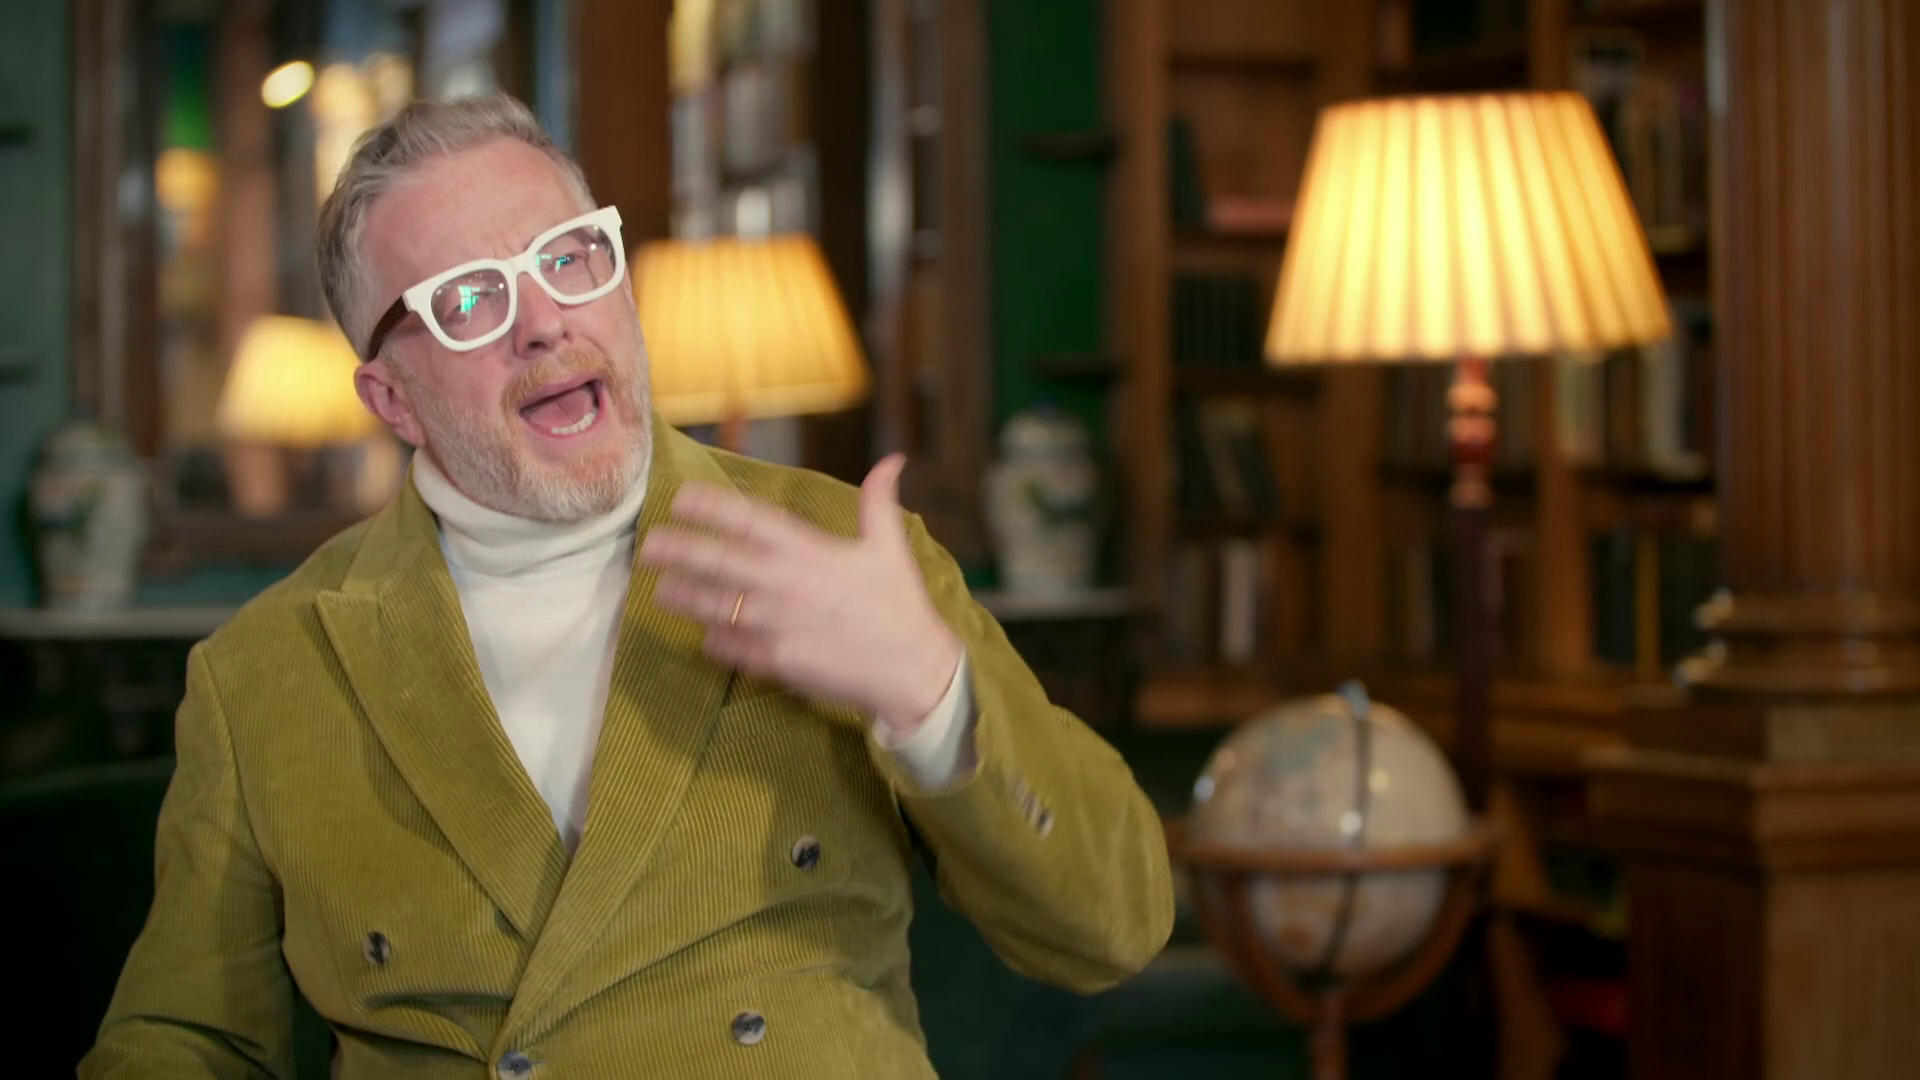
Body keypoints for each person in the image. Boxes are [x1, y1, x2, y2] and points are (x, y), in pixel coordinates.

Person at [82, 93, 1173, 1079]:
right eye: (469, 299)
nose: (543, 321)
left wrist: (929, 693)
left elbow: (1114, 926)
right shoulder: (264, 673)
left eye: (569, 257)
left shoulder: (843, 552)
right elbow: (186, 1040)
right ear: (392, 399)